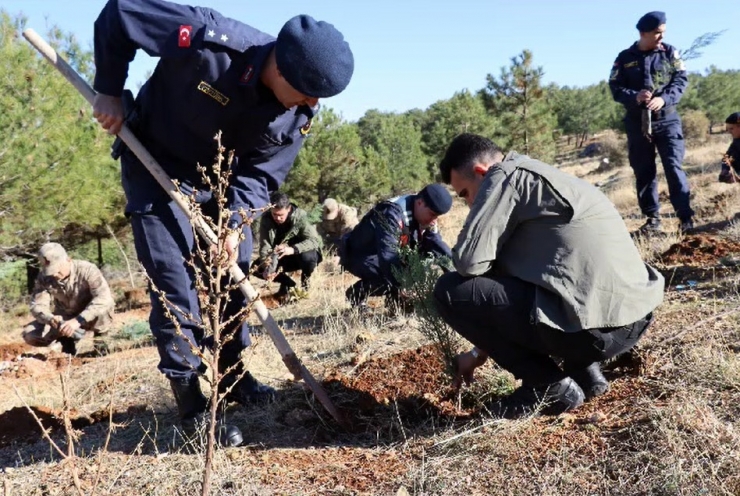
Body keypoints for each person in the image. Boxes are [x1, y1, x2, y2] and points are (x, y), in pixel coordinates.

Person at [91, 0, 354, 443]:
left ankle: (233, 376)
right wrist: (109, 89)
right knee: (174, 284)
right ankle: (192, 403)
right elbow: (120, 14)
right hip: (154, 166)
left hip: (220, 186)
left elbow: (261, 174)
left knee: (236, 271)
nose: (313, 103)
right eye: (309, 92)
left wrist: (234, 225)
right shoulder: (208, 40)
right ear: (281, 70)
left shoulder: (297, 113)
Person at [433, 134, 663, 418]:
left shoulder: (504, 178)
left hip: (596, 333)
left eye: (465, 193)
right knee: (533, 280)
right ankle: (587, 376)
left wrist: (480, 215)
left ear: (481, 172)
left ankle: (548, 387)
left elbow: (468, 263)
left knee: (449, 291)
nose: (468, 203)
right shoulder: (538, 174)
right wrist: (477, 354)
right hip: (633, 316)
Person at [609, 11, 694, 235]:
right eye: (657, 33)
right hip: (638, 123)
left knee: (674, 167)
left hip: (667, 121)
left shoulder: (670, 53)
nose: (660, 37)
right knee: (644, 171)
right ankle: (652, 219)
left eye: (663, 33)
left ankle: (685, 218)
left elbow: (681, 80)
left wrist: (663, 99)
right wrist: (634, 97)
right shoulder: (625, 57)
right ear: (643, 33)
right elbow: (615, 88)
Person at [340, 184, 453, 310]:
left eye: (437, 216)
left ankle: (396, 302)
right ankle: (356, 294)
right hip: (361, 255)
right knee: (389, 279)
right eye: (432, 214)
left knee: (420, 262)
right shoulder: (391, 214)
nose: (434, 221)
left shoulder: (425, 215)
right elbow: (388, 256)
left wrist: (456, 270)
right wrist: (405, 285)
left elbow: (436, 244)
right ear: (420, 203)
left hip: (383, 255)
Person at [22, 243, 114, 357]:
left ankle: (101, 345)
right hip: (65, 318)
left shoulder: (87, 270)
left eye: (57, 269)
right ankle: (67, 342)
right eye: (49, 271)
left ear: (68, 260)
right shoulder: (44, 278)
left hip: (90, 315)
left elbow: (103, 298)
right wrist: (50, 319)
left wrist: (78, 321)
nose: (54, 274)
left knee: (103, 308)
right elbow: (37, 305)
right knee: (30, 334)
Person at [254, 192, 323, 300]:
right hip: (280, 256)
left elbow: (314, 241)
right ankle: (289, 285)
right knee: (256, 268)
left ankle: (305, 281)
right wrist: (267, 266)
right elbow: (265, 245)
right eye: (274, 215)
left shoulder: (301, 216)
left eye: (281, 215)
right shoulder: (266, 219)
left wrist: (293, 249)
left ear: (288, 209)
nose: (277, 218)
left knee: (307, 258)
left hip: (301, 254)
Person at [718, 112, 740, 184]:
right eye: (728, 129)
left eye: (731, 128)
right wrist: (725, 170)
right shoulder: (736, 142)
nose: (729, 132)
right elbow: (727, 157)